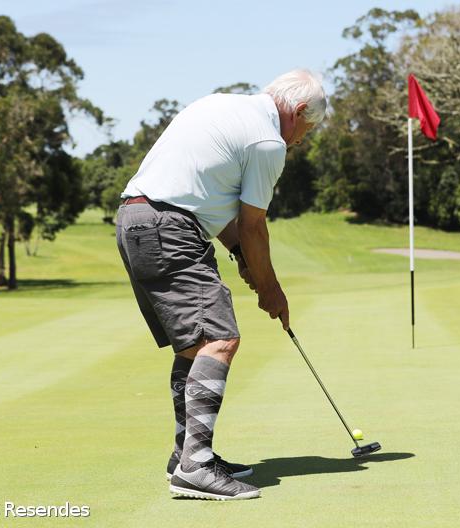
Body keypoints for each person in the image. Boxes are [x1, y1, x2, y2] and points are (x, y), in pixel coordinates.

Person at [115, 69, 327, 501]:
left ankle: (187, 455)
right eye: (307, 129)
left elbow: (217, 211)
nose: (301, 140)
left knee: (195, 344)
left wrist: (244, 260)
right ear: (299, 111)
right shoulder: (268, 142)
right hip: (170, 228)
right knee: (220, 339)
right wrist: (272, 290)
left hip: (136, 220)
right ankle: (196, 467)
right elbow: (254, 226)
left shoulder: (221, 105)